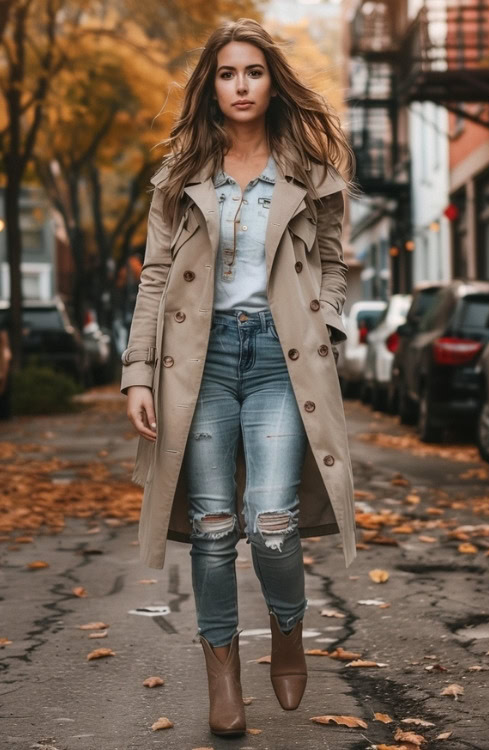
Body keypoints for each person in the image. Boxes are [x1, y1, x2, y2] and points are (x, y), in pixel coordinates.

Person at [121, 17, 358, 738]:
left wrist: (327, 321)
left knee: (274, 521)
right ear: (211, 86)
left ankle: (289, 628)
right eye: (227, 74)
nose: (241, 85)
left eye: (252, 71)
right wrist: (137, 372)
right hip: (202, 361)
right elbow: (156, 277)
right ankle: (223, 674)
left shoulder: (309, 171)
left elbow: (335, 259)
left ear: (270, 80)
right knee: (216, 525)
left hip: (282, 359)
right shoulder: (181, 176)